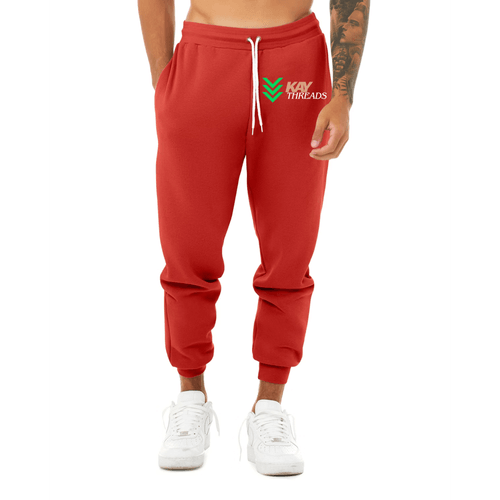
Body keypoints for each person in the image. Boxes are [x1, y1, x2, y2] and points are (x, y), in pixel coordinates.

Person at [138, 0, 370, 476]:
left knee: (291, 246)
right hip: (203, 62)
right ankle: (190, 399)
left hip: (296, 67)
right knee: (187, 246)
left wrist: (342, 94)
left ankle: (269, 407)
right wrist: (165, 82)